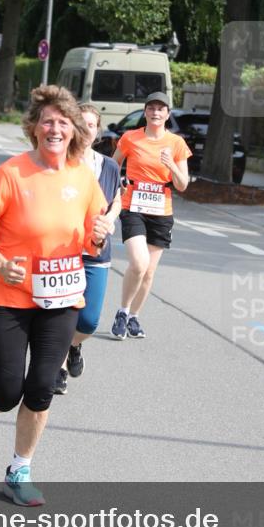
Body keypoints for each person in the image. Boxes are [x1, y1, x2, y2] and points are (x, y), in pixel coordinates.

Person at [0, 85, 111, 506]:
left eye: (63, 122)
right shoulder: (11, 173)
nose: (55, 128)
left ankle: (19, 469)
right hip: (8, 297)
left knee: (42, 385)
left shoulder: (83, 177)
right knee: (8, 390)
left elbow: (92, 238)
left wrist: (99, 236)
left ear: (76, 131)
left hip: (61, 298)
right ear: (34, 128)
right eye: (47, 121)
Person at [110, 91, 191, 340]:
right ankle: (122, 312)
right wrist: (117, 187)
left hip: (161, 212)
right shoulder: (130, 138)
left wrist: (172, 165)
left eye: (161, 109)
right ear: (145, 112)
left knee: (149, 272)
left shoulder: (176, 144)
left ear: (168, 114)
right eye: (152, 108)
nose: (156, 113)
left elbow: (182, 184)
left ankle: (134, 316)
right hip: (133, 207)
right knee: (138, 263)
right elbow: (113, 166)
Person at [53, 104, 121, 395]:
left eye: (91, 125)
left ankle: (75, 345)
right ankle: (59, 369)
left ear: (97, 131)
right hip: (63, 251)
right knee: (62, 314)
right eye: (81, 123)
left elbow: (117, 198)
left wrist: (109, 219)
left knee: (89, 320)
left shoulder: (109, 165)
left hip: (96, 253)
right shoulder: (60, 163)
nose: (86, 128)